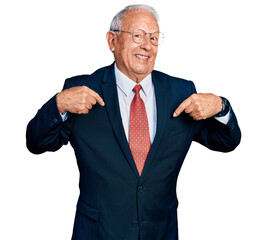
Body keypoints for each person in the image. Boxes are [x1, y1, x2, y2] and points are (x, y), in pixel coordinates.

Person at [26, 4, 241, 240]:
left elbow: (225, 142)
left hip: (160, 232)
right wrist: (58, 104)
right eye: (137, 35)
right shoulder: (81, 91)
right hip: (98, 233)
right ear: (112, 41)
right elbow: (36, 143)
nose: (147, 45)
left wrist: (222, 106)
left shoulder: (181, 93)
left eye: (154, 38)